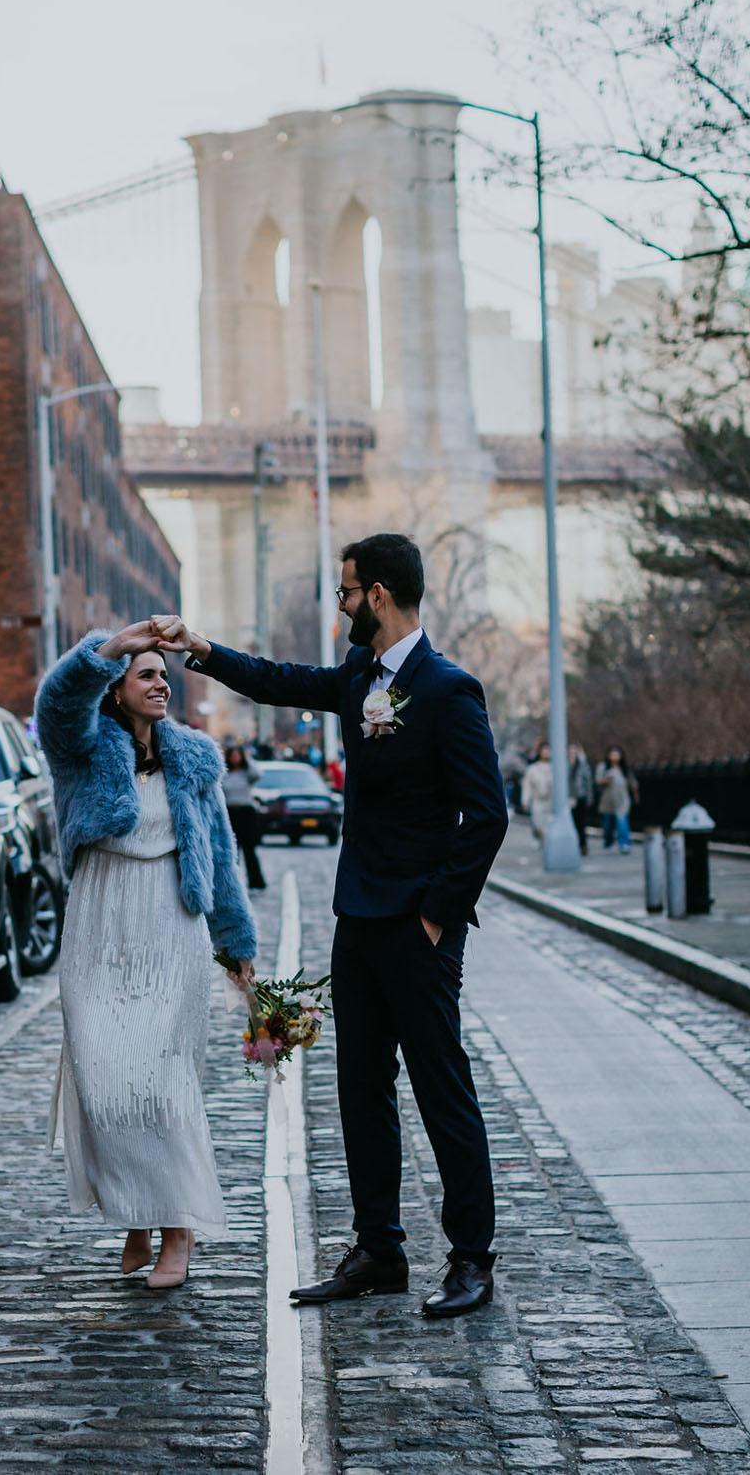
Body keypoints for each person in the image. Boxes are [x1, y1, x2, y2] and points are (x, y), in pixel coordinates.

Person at [151, 532, 509, 1318]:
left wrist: (436, 920)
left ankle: (472, 1259)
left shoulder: (449, 691)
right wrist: (202, 649)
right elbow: (280, 682)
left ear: (378, 596)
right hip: (358, 918)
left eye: (346, 592)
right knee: (360, 1088)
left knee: (442, 1086)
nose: (341, 605)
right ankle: (379, 1251)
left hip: (417, 927)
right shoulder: (357, 677)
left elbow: (487, 817)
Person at [35, 623, 257, 1289]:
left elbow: (219, 856)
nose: (162, 683)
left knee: (159, 1084)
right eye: (147, 674)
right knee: (105, 1079)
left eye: (165, 674)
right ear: (118, 690)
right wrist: (115, 644)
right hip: (100, 926)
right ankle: (137, 1210)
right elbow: (57, 701)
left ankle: (178, 1230)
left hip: (170, 925)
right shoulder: (81, 748)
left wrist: (236, 943)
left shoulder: (194, 757)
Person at [223, 745, 266, 891]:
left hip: (246, 814)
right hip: (230, 814)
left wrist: (248, 758)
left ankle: (256, 883)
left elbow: (258, 774)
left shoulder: (247, 772)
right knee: (232, 851)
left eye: (238, 755)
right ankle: (232, 884)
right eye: (232, 755)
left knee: (249, 850)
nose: (235, 758)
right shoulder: (225, 773)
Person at [596, 745, 639, 853]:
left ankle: (624, 844)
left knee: (622, 821)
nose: (614, 757)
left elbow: (633, 783)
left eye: (617, 754)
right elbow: (597, 781)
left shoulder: (624, 769)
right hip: (608, 800)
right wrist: (606, 780)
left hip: (622, 799)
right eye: (612, 754)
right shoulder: (603, 767)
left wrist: (636, 795)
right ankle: (608, 843)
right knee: (608, 824)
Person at [520, 741, 553, 844]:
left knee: (548, 824)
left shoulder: (555, 768)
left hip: (550, 801)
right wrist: (524, 801)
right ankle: (540, 839)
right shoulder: (533, 769)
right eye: (544, 751)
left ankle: (547, 843)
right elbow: (527, 786)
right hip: (537, 800)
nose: (546, 753)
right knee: (537, 823)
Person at [568, 743, 594, 855]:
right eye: (570, 751)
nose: (572, 754)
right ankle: (572, 845)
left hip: (580, 798)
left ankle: (583, 845)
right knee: (570, 822)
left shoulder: (582, 765)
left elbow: (587, 780)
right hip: (567, 799)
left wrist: (589, 797)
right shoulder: (564, 763)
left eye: (575, 751)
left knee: (580, 823)